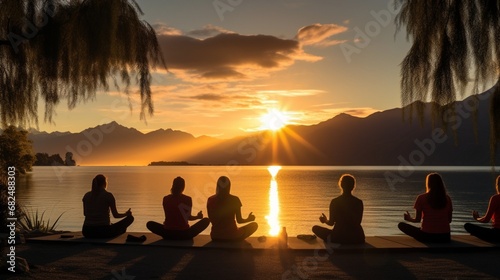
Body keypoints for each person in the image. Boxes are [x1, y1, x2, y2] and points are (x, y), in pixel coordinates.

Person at [398, 172, 453, 243]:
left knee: (401, 225)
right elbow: (449, 220)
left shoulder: (421, 198)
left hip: (427, 237)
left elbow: (418, 220)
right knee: (421, 229)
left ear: (428, 183)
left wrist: (409, 219)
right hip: (445, 237)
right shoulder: (447, 199)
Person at [312, 174, 365, 244]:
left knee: (315, 228)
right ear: (353, 186)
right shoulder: (359, 202)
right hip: (357, 238)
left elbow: (331, 223)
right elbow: (358, 222)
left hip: (339, 237)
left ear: (341, 185)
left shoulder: (335, 202)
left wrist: (325, 220)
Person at [82, 174, 134, 239]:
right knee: (130, 218)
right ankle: (119, 231)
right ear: (105, 183)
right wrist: (127, 214)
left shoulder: (86, 196)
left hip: (87, 231)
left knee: (113, 225)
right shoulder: (108, 196)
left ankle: (119, 230)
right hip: (103, 232)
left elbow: (85, 213)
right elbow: (115, 215)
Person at [207, 176, 258, 241]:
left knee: (237, 229)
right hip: (232, 236)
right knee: (254, 225)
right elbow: (239, 220)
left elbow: (211, 219)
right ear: (229, 186)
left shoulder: (210, 200)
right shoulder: (235, 200)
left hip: (215, 236)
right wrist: (249, 219)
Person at [464, 175, 500, 243]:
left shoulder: (496, 198)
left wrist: (477, 218)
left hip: (497, 235)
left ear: (497, 185)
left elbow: (486, 220)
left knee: (467, 226)